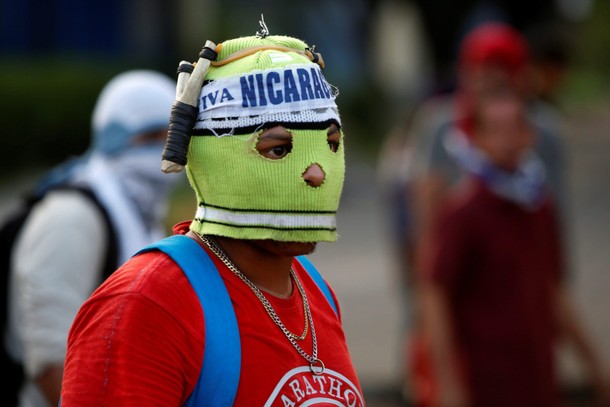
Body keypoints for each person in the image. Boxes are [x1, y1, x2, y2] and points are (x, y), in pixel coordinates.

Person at [59, 30, 365, 406]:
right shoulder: (147, 306)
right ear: (213, 157)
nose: (316, 172)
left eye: (331, 144)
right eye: (278, 148)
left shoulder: (315, 290)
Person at [414, 76, 610, 407]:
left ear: (529, 135)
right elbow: (434, 295)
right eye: (495, 129)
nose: (507, 140)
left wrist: (594, 367)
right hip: (484, 383)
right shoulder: (464, 211)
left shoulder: (539, 204)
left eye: (514, 128)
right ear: (477, 138)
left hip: (538, 378)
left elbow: (553, 292)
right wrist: (447, 384)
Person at [6, 69, 180, 407]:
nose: (166, 153)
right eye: (153, 137)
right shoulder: (71, 218)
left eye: (174, 139)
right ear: (116, 137)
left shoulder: (140, 214)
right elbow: (50, 362)